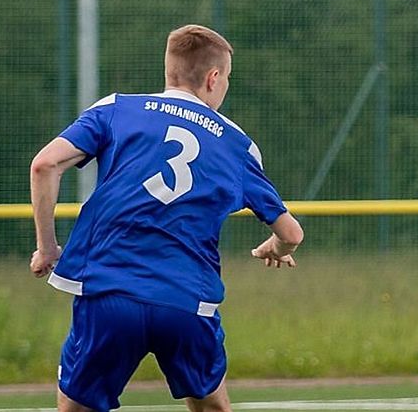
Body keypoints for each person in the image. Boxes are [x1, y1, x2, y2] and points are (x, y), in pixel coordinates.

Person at [29, 24, 304, 412]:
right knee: (212, 407)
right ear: (213, 78)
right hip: (186, 301)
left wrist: (47, 248)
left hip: (110, 291)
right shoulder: (236, 143)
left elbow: (44, 165)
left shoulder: (116, 109)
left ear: (169, 70)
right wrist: (275, 247)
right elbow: (291, 231)